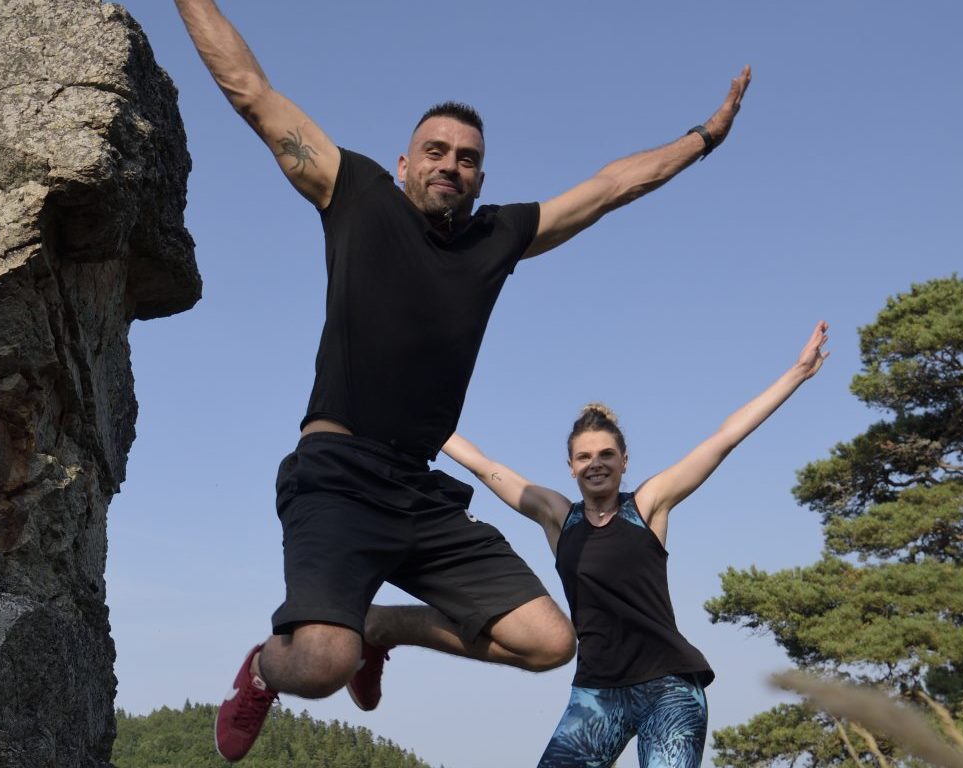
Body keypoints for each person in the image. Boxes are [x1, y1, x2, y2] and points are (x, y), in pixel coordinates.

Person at [170, 1, 753, 760]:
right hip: (338, 475)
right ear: (404, 163)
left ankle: (381, 629)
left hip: (419, 490)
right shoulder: (356, 194)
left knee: (550, 642)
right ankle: (262, 669)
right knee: (319, 663)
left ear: (480, 177)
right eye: (435, 150)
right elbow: (251, 91)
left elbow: (611, 187)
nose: (450, 164)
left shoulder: (496, 236)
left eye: (467, 157)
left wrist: (705, 137)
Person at [439, 321, 829, 768]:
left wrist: (797, 373)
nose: (596, 464)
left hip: (669, 688)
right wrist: (420, 419)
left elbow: (723, 440)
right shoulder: (558, 517)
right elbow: (484, 466)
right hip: (597, 692)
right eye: (584, 457)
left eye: (606, 454)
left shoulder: (647, 505)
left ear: (624, 461)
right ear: (570, 467)